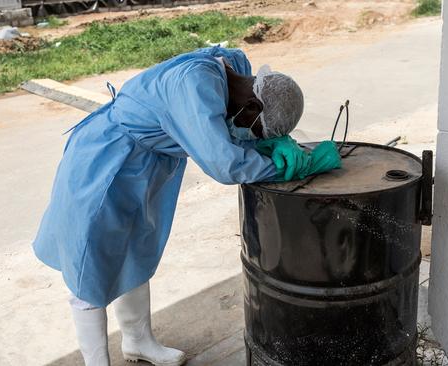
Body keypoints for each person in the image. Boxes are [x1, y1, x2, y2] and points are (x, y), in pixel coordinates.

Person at [33, 46, 340, 366]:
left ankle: (137, 341)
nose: (251, 135)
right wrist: (292, 168)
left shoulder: (236, 67)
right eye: (255, 127)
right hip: (105, 164)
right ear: (251, 104)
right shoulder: (193, 86)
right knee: (90, 264)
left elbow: (238, 138)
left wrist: (271, 141)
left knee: (136, 250)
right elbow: (226, 164)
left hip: (145, 164)